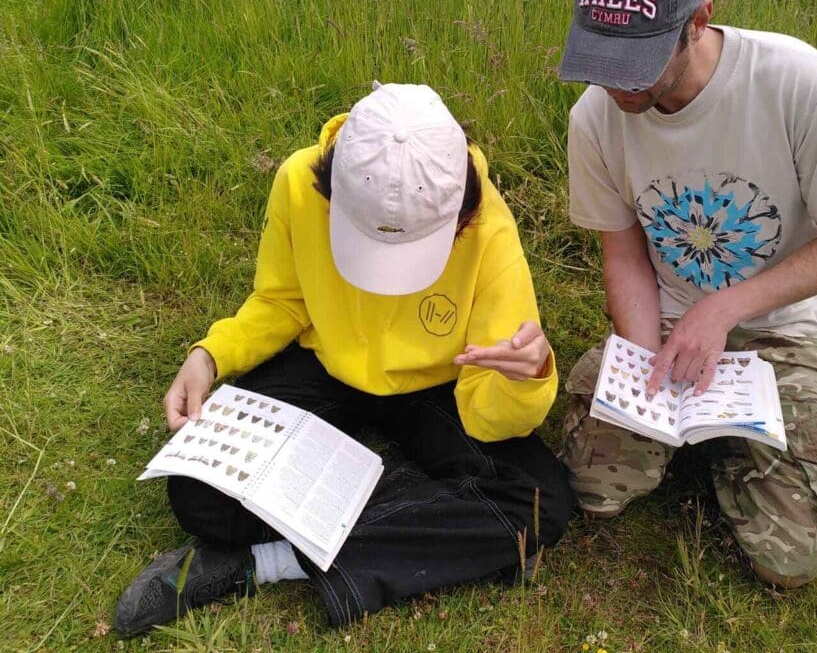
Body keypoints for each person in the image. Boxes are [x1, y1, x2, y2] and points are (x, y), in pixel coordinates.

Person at [114, 82, 573, 637]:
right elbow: (281, 299)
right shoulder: (298, 180)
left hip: (439, 383)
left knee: (540, 501)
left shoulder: (485, 220)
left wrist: (527, 381)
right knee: (198, 491)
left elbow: (493, 393)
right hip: (325, 364)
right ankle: (418, 504)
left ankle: (266, 562)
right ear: (329, 183)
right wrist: (210, 356)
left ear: (459, 214)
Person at [557, 0, 817, 588]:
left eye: (637, 67)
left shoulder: (800, 84)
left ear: (699, 19)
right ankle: (693, 434)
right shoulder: (593, 117)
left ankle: (729, 445)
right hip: (665, 326)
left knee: (791, 560)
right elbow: (624, 255)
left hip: (773, 333)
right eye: (603, 61)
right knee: (593, 489)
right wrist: (643, 370)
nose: (618, 88)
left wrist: (726, 308)